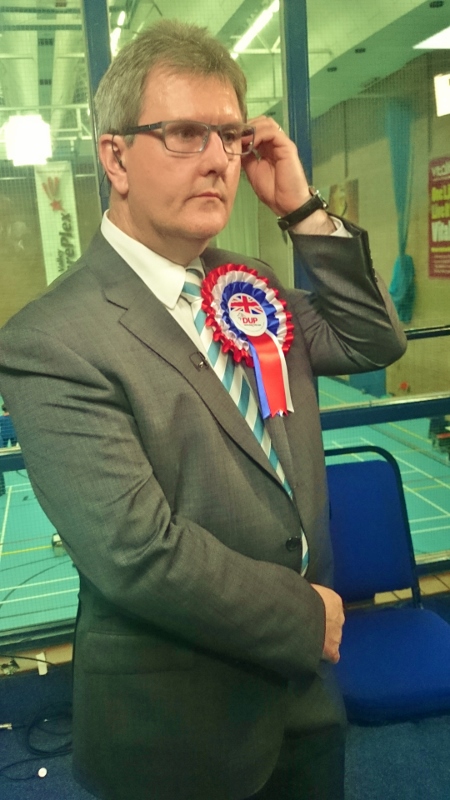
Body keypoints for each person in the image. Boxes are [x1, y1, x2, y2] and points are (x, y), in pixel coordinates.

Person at [0, 19, 406, 800]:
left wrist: (301, 207)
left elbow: (372, 339)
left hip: (304, 699)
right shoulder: (51, 338)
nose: (220, 157)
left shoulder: (247, 283)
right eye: (186, 133)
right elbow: (138, 554)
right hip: (179, 726)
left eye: (230, 134)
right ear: (116, 157)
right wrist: (305, 618)